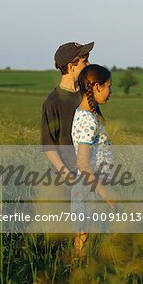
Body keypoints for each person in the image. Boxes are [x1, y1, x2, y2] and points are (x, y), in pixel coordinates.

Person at [40, 41, 93, 252]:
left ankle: (85, 268)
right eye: (84, 60)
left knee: (88, 229)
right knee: (71, 232)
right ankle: (72, 270)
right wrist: (66, 173)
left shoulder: (87, 96)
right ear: (72, 67)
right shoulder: (52, 102)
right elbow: (48, 145)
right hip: (67, 175)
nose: (89, 64)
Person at [71, 64, 115, 252]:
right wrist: (104, 192)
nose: (110, 91)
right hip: (91, 186)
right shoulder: (88, 120)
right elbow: (82, 162)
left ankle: (86, 270)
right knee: (84, 235)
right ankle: (79, 272)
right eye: (108, 86)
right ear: (97, 87)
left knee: (87, 233)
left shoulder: (86, 115)